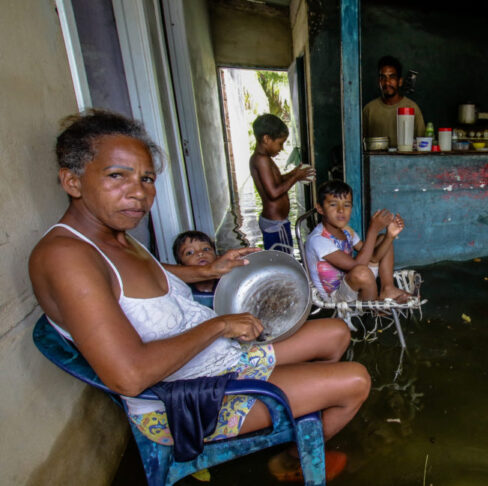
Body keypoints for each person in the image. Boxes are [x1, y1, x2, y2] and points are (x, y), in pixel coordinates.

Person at [28, 110, 368, 481]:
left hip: (214, 360)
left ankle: (299, 411)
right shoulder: (66, 257)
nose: (139, 192)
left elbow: (145, 277)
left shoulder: (114, 236)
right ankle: (290, 459)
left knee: (336, 332)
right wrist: (220, 325)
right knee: (356, 381)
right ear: (72, 181)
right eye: (116, 176)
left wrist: (206, 271)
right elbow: (129, 376)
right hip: (187, 400)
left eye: (146, 178)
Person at [304, 180, 411, 303]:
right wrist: (372, 230)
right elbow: (358, 267)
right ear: (320, 209)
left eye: (346, 205)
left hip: (352, 281)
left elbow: (373, 257)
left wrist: (390, 236)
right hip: (336, 296)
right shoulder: (318, 240)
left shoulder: (345, 231)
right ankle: (376, 309)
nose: (341, 210)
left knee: (381, 239)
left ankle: (388, 288)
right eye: (333, 205)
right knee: (362, 272)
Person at [249, 114, 315, 254]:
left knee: (281, 259)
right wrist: (296, 178)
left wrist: (292, 174)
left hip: (276, 223)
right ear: (266, 139)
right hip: (276, 225)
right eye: (280, 143)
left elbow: (276, 182)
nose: (281, 148)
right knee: (284, 260)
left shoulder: (264, 159)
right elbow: (273, 193)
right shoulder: (261, 160)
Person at [362, 55, 425, 148]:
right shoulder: (369, 109)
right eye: (383, 78)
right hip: (375, 162)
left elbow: (422, 143)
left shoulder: (412, 108)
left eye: (392, 77)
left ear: (400, 81)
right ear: (379, 81)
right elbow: (360, 144)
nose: (387, 82)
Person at [172, 230, 219, 308]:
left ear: (217, 257)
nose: (200, 253)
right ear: (180, 267)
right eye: (190, 252)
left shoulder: (227, 283)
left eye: (206, 249)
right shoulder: (183, 292)